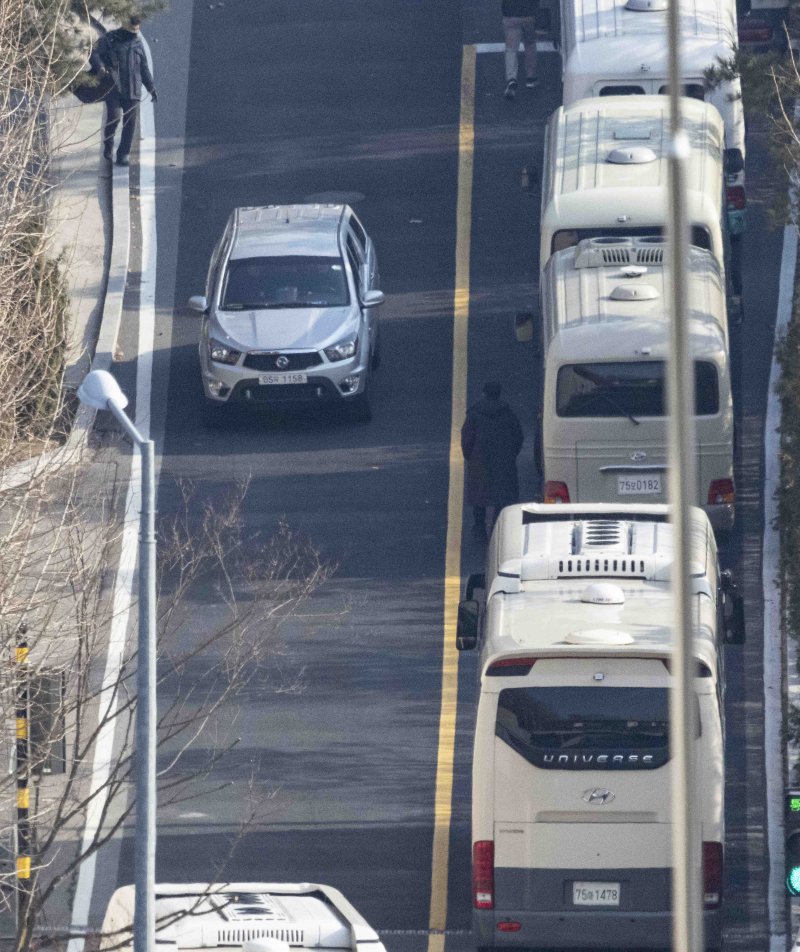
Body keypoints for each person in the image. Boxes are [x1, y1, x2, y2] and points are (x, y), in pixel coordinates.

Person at [461, 382, 524, 543]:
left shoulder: (475, 414)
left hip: (479, 461)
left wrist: (471, 457)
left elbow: (467, 440)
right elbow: (518, 436)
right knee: (502, 496)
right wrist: (510, 454)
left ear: (484, 393)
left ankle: (479, 529)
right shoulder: (507, 413)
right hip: (504, 461)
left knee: (479, 496)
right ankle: (497, 529)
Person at [90, 16, 157, 166]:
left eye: (136, 31)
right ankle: (108, 146)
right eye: (131, 32)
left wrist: (151, 87)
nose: (134, 34)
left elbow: (144, 68)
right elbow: (93, 54)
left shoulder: (138, 43)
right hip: (113, 87)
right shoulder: (110, 39)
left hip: (133, 89)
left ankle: (123, 153)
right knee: (113, 118)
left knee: (130, 123)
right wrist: (100, 66)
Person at [501, 0, 540, 100]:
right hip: (529, 14)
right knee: (530, 44)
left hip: (510, 14)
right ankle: (531, 78)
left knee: (511, 49)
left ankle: (511, 78)